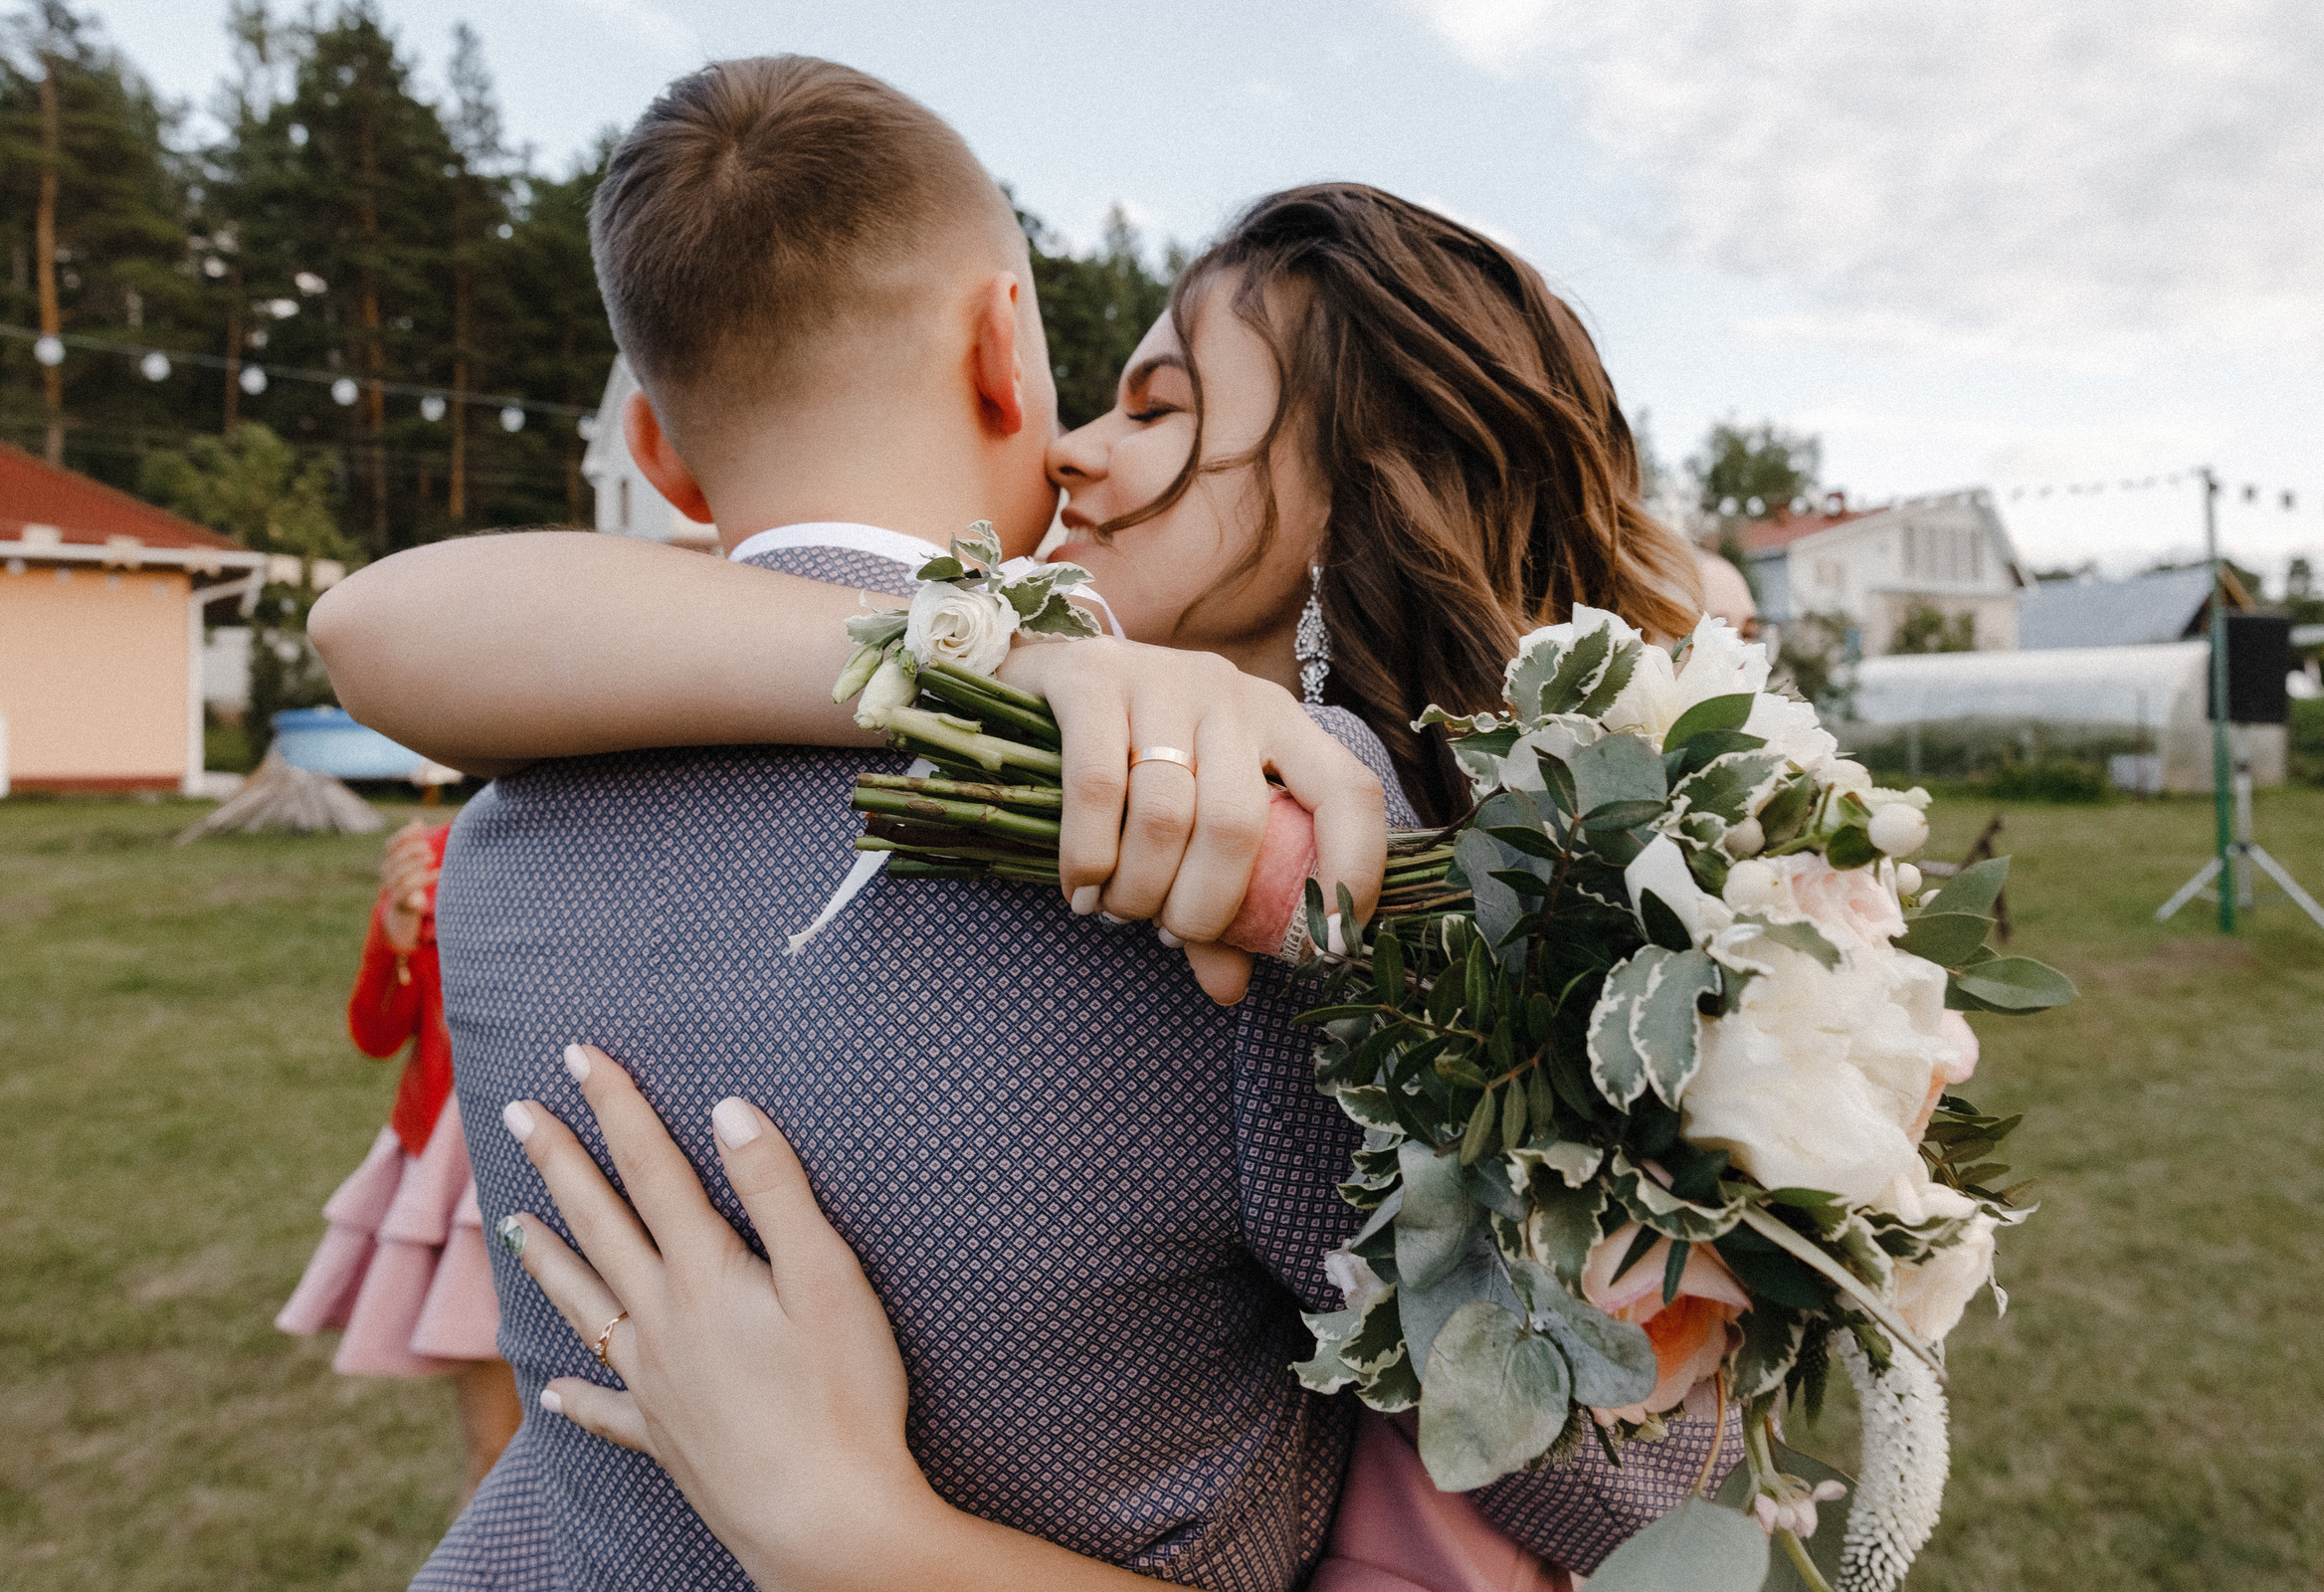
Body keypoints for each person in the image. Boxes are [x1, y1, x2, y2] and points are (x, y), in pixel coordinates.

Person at [311, 61, 1718, 1592]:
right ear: (1006, 348)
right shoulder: (1247, 839)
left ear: (654, 452)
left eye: (1156, 406)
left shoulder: (508, 826)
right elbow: (1614, 1477)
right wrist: (995, 657)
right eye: (1104, 394)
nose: (1078, 453)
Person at [276, 820, 521, 1508]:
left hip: (606, 1150)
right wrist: (395, 940)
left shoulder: (636, 843)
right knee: (500, 1451)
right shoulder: (441, 856)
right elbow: (377, 1033)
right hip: (469, 1171)